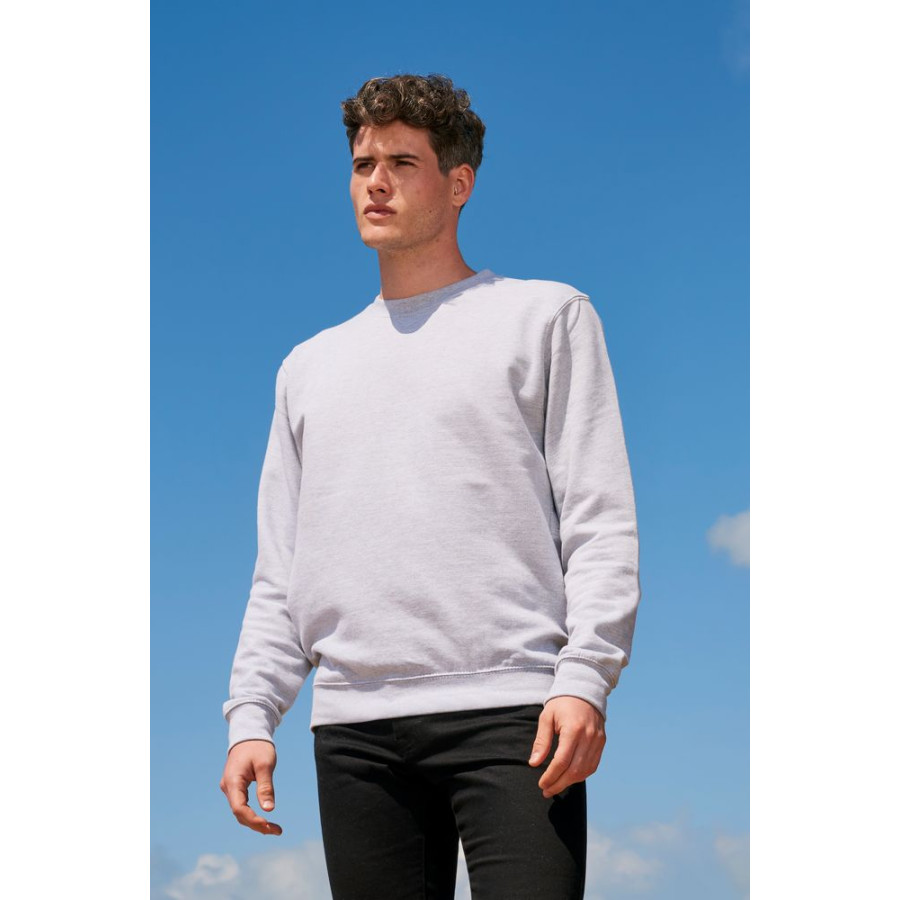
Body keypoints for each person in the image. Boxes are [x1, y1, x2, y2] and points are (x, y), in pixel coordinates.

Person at [219, 72, 641, 900]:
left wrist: (586, 677)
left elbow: (599, 520)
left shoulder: (546, 317)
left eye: (402, 163)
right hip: (355, 733)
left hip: (516, 715)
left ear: (458, 184)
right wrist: (250, 715)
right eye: (362, 164)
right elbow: (282, 570)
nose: (375, 182)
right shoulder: (308, 368)